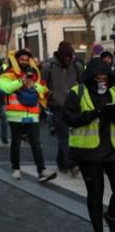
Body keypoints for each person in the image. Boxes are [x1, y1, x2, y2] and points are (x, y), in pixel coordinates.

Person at [63, 57, 115, 232]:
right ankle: (98, 229)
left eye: (105, 78)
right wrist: (95, 113)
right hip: (88, 153)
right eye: (98, 78)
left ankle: (111, 215)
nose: (102, 82)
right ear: (91, 78)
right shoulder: (77, 93)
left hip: (112, 150)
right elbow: (69, 119)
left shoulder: (114, 92)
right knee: (96, 193)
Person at [0, 49, 57, 183]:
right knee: (16, 143)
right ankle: (16, 168)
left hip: (32, 115)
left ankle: (42, 171)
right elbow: (4, 87)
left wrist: (34, 85)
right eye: (22, 60)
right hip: (15, 115)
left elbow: (44, 90)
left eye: (26, 60)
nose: (24, 62)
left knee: (36, 143)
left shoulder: (35, 73)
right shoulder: (8, 73)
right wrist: (21, 82)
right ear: (17, 60)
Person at [43, 41, 84, 176]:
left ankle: (61, 161)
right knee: (64, 135)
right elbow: (42, 86)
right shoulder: (48, 67)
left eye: (70, 57)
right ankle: (72, 164)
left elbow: (83, 84)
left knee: (66, 135)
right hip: (57, 106)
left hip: (73, 105)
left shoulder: (77, 66)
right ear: (60, 55)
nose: (68, 59)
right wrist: (52, 95)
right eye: (65, 57)